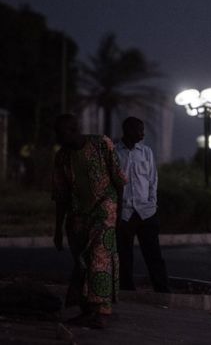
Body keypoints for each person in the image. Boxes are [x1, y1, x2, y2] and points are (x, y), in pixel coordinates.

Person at [51, 114, 126, 329]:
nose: (57, 136)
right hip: (77, 216)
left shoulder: (102, 144)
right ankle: (89, 310)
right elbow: (60, 194)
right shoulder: (62, 157)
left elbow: (119, 180)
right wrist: (57, 229)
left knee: (98, 259)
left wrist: (117, 214)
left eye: (61, 131)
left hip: (104, 211)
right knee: (82, 262)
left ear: (73, 129)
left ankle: (99, 313)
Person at [115, 117, 170, 293]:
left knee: (154, 255)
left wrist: (152, 204)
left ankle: (162, 290)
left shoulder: (146, 152)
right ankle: (126, 290)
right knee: (124, 255)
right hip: (124, 213)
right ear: (128, 130)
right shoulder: (114, 153)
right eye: (139, 130)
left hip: (146, 213)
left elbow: (153, 180)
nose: (142, 133)